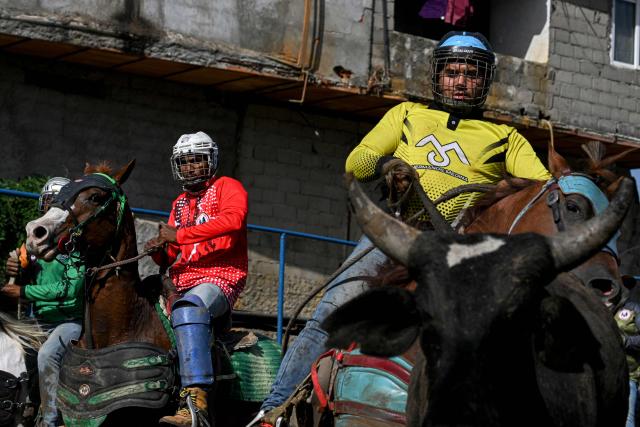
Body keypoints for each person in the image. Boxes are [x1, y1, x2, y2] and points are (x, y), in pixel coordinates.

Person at [254, 31, 551, 425]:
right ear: (437, 75)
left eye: (471, 74)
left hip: (460, 248)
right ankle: (272, 411)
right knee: (333, 311)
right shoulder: (406, 114)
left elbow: (545, 190)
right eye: (452, 72)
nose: (460, 81)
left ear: (484, 82)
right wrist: (389, 167)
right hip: (394, 232)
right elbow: (356, 162)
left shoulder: (505, 137)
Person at [145, 131, 248, 426]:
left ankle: (195, 403)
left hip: (219, 278)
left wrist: (180, 235)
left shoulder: (229, 186)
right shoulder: (179, 202)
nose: (191, 167)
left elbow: (233, 220)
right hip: (181, 280)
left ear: (211, 161)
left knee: (190, 308)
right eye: (185, 162)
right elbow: (174, 251)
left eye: (197, 160)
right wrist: (159, 251)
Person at [0, 176, 85, 427]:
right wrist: (13, 266)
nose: (50, 211)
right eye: (48, 204)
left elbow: (69, 289)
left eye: (57, 205)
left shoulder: (76, 246)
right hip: (37, 319)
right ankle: (24, 404)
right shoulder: (34, 241)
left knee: (47, 355)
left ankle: (50, 420)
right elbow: (20, 269)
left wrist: (24, 292)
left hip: (69, 320)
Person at [614, 280, 640, 427]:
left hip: (629, 374)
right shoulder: (598, 308)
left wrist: (625, 341)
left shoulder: (634, 309)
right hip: (606, 374)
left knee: (628, 420)